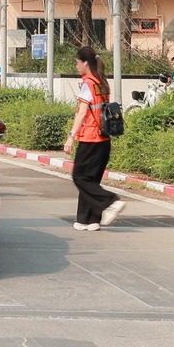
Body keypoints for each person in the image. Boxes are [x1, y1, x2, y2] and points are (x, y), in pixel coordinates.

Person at [62, 43, 123, 231]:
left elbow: (82, 113)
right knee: (91, 180)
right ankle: (88, 220)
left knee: (80, 177)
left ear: (85, 63)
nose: (76, 66)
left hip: (90, 138)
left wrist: (71, 137)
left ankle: (110, 201)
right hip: (104, 139)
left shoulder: (88, 84)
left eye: (77, 62)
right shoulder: (102, 83)